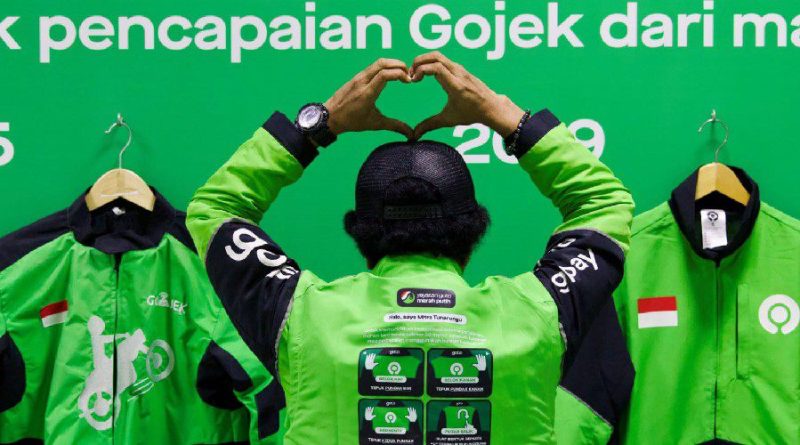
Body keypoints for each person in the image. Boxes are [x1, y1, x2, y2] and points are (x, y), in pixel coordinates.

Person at [187, 52, 635, 444]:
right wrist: (501, 114)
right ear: (474, 230)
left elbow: (217, 209)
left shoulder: (302, 318)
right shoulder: (537, 315)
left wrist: (319, 125)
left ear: (359, 233)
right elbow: (604, 204)